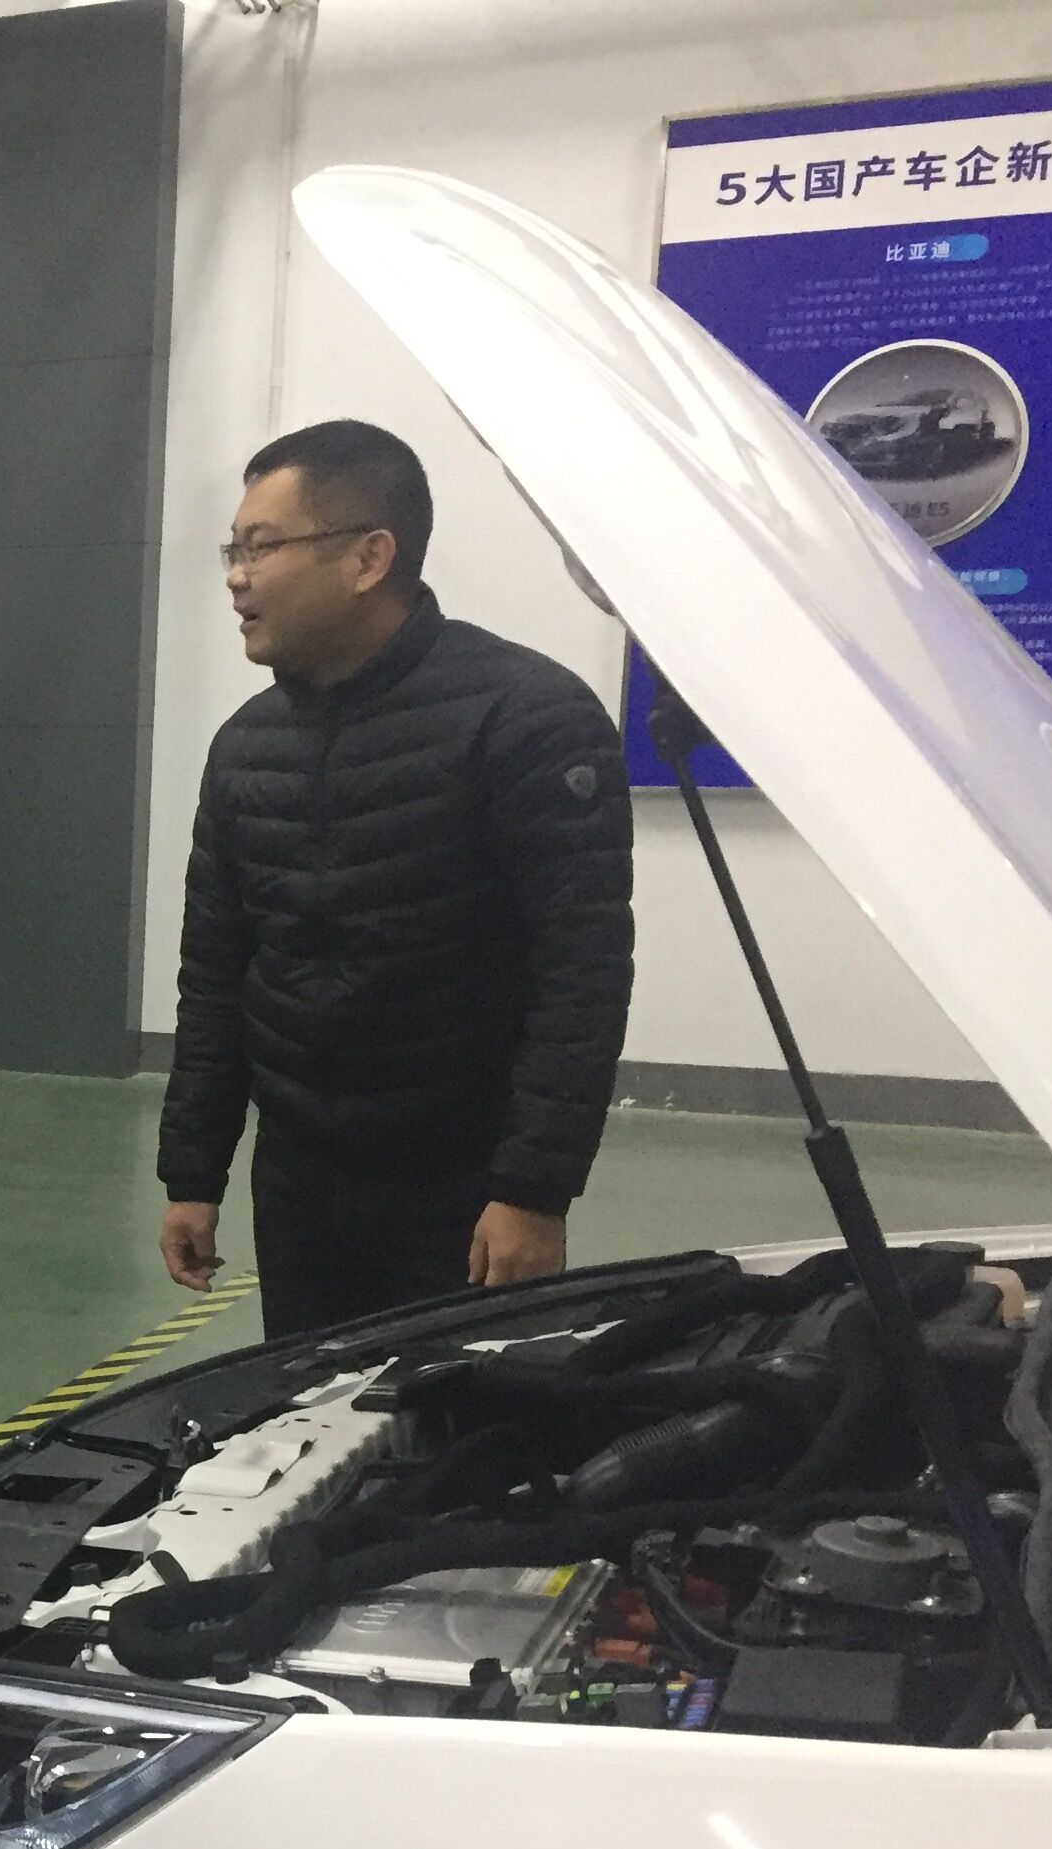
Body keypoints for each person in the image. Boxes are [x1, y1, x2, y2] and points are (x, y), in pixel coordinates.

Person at [159, 419, 633, 1341]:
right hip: (300, 1189)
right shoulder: (246, 748)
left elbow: (581, 975)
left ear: (369, 557)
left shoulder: (529, 719)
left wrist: (532, 1191)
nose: (236, 577)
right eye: (233, 549)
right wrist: (193, 1173)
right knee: (314, 1410)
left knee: (461, 1417)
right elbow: (216, 974)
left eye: (262, 546)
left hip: (464, 1191)